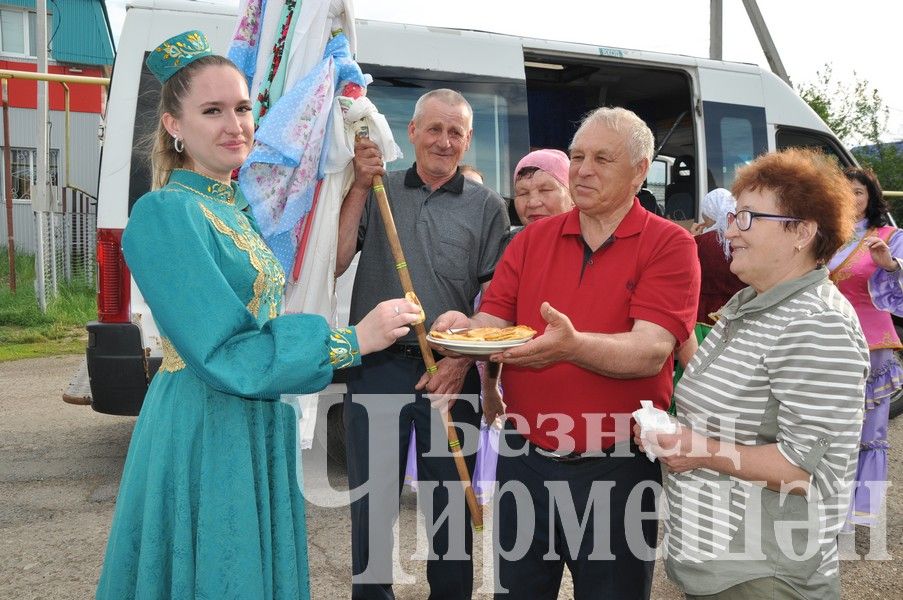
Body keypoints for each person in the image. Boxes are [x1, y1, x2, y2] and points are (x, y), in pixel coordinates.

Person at [95, 31, 422, 600]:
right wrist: (349, 342)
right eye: (212, 110)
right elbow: (225, 352)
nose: (235, 125)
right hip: (205, 423)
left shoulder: (233, 209)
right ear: (174, 124)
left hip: (254, 418)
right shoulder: (166, 213)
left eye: (243, 108)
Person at [432, 106, 701, 599]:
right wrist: (462, 332)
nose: (583, 169)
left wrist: (572, 347)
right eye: (577, 156)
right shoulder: (531, 240)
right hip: (525, 460)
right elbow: (493, 321)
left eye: (602, 158)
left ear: (641, 170)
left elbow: (649, 351)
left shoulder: (669, 244)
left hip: (616, 467)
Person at [639, 148, 869, 599]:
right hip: (723, 564)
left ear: (801, 232)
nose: (729, 230)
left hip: (766, 575)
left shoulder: (816, 323)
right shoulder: (751, 308)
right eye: (731, 216)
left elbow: (809, 475)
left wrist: (699, 450)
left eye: (746, 218)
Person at [335, 88, 510, 599]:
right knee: (373, 504)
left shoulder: (487, 206)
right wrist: (360, 188)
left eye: (456, 131)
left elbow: (498, 298)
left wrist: (462, 359)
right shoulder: (379, 188)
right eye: (434, 128)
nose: (444, 140)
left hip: (449, 374)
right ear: (411, 132)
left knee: (451, 506)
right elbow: (340, 257)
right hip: (377, 369)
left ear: (468, 139)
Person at [828, 166, 903, 528]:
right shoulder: (826, 234)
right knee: (832, 426)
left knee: (869, 429)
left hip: (872, 342)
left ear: (871, 197)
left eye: (859, 191)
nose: (852, 197)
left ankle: (860, 511)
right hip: (829, 342)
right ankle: (827, 504)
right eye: (845, 190)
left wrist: (889, 265)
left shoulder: (890, 236)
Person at [691, 188, 746, 325]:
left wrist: (692, 238)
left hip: (706, 313)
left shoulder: (701, 242)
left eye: (706, 217)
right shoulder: (744, 240)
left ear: (712, 213)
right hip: (739, 309)